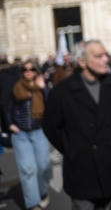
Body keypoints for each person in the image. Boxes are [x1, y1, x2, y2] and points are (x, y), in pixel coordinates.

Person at [43, 40, 111, 210]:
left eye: (106, 55)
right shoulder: (62, 92)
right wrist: (71, 147)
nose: (105, 59)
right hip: (82, 171)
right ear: (81, 62)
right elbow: (50, 126)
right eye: (98, 56)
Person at [7, 60, 51, 210]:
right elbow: (8, 107)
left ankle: (43, 191)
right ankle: (33, 203)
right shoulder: (17, 87)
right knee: (27, 169)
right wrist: (10, 124)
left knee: (43, 166)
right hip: (21, 135)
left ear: (36, 71)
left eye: (31, 68)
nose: (28, 71)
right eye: (25, 69)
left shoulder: (41, 86)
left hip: (39, 132)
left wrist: (43, 89)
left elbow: (51, 104)